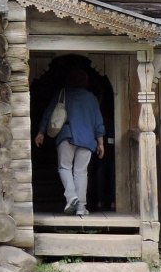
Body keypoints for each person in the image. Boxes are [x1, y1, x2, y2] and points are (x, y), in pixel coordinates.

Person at [33, 56, 107, 216]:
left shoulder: (63, 93)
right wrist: (100, 143)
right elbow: (98, 122)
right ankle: (81, 207)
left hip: (67, 136)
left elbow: (49, 113)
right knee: (81, 172)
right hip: (88, 140)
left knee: (65, 167)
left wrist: (41, 132)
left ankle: (71, 196)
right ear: (85, 81)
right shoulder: (92, 98)